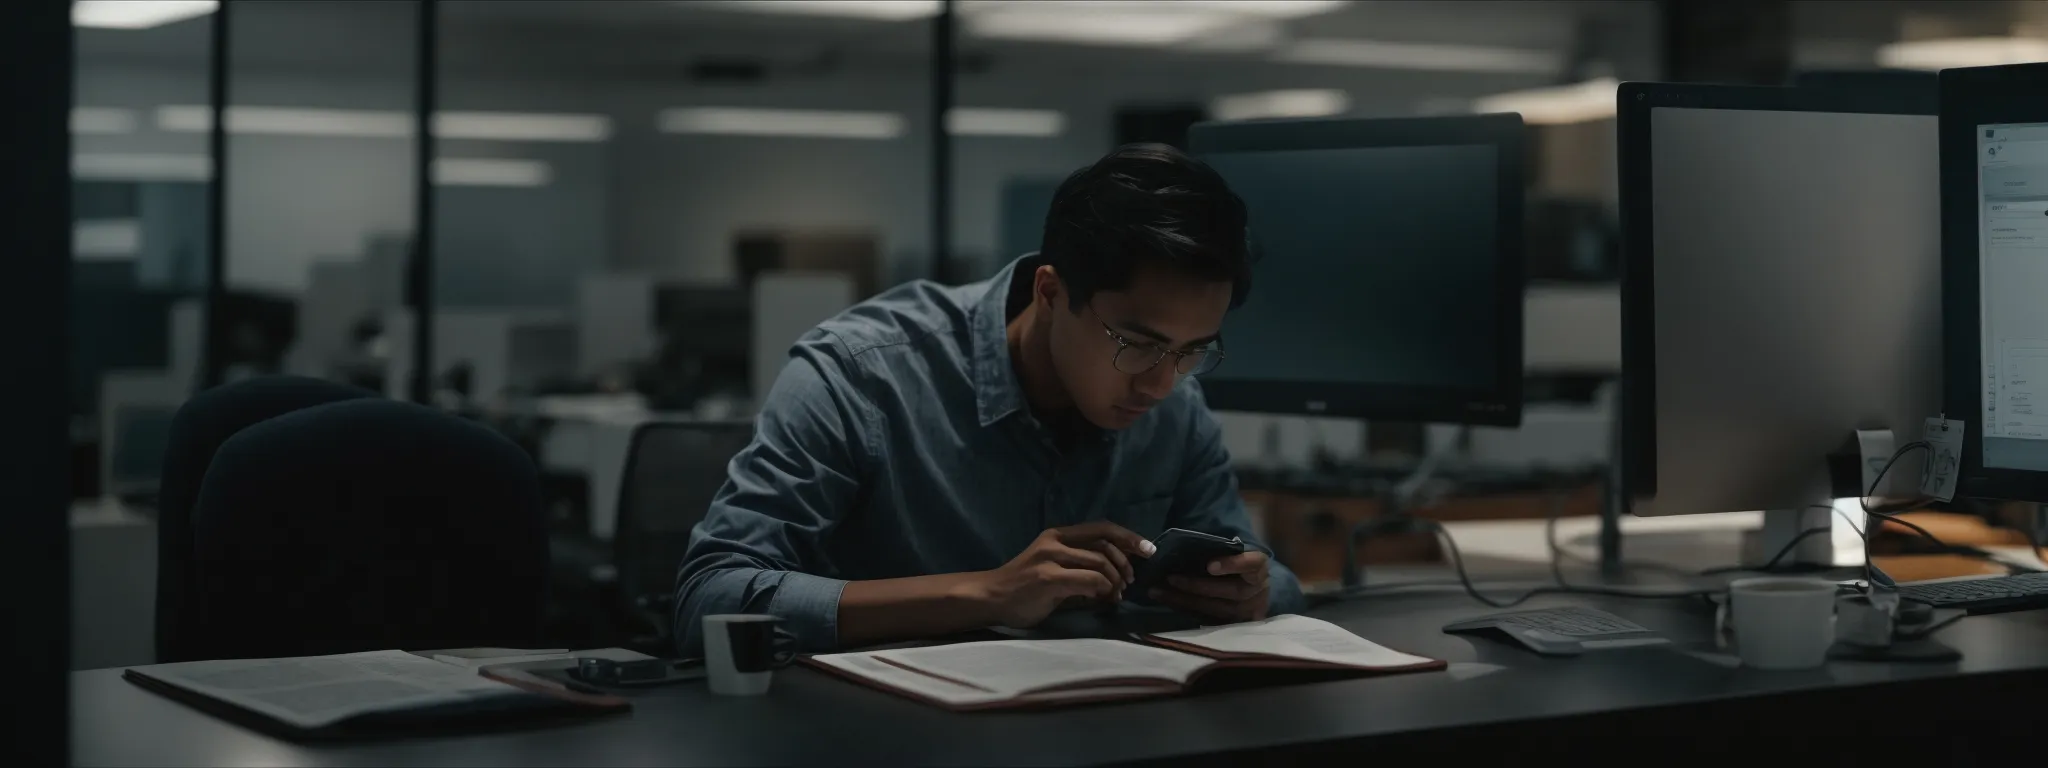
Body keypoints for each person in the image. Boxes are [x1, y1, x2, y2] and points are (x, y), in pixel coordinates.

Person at [673, 143, 1303, 655]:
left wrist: (1250, 591)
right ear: (1051, 294)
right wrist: (984, 594)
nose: (1161, 384)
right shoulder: (861, 377)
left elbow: (1264, 573)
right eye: (1136, 344)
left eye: (1193, 350)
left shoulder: (1175, 407)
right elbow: (711, 598)